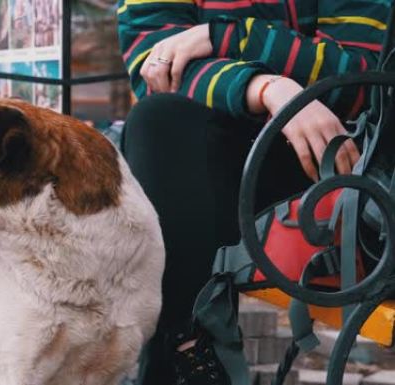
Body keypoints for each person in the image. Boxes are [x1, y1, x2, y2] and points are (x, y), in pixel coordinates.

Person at [116, 1, 390, 384]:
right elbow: (157, 69)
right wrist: (267, 88)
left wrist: (222, 37)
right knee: (157, 121)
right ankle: (190, 350)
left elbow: (359, 75)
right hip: (212, 159)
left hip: (331, 167)